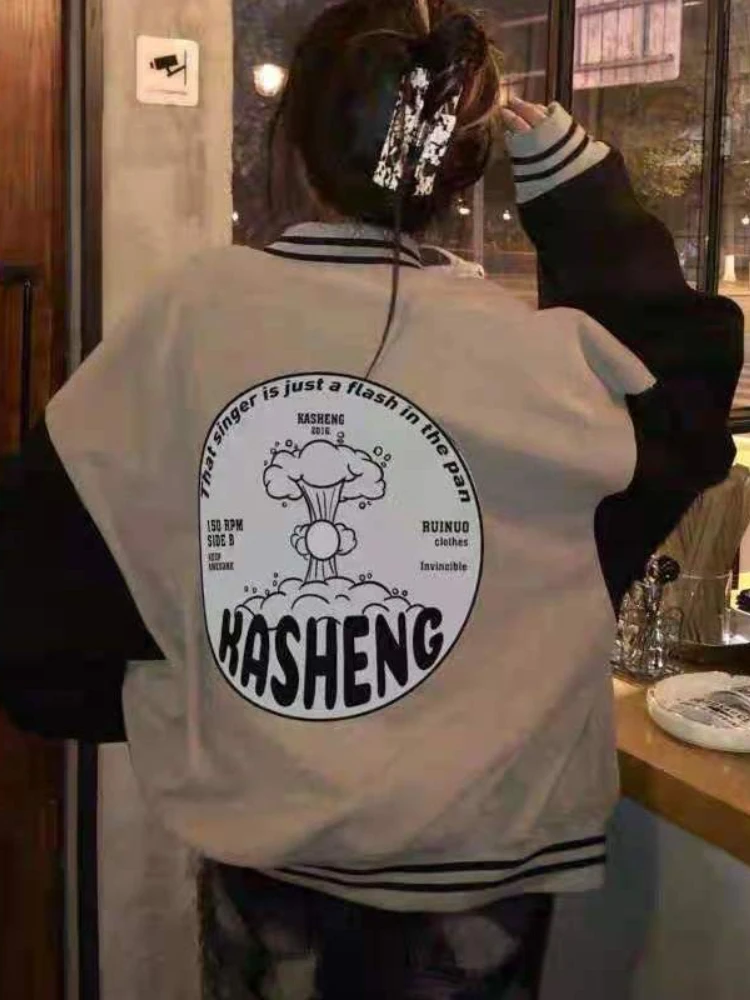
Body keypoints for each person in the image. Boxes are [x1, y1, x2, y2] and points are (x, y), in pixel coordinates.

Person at [0, 0, 742, 996]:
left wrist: (190, 695)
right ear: (464, 172)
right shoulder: (546, 362)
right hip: (486, 859)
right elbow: (685, 399)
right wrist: (579, 194)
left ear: (298, 149)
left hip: (269, 849)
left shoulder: (191, 318)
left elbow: (46, 571)